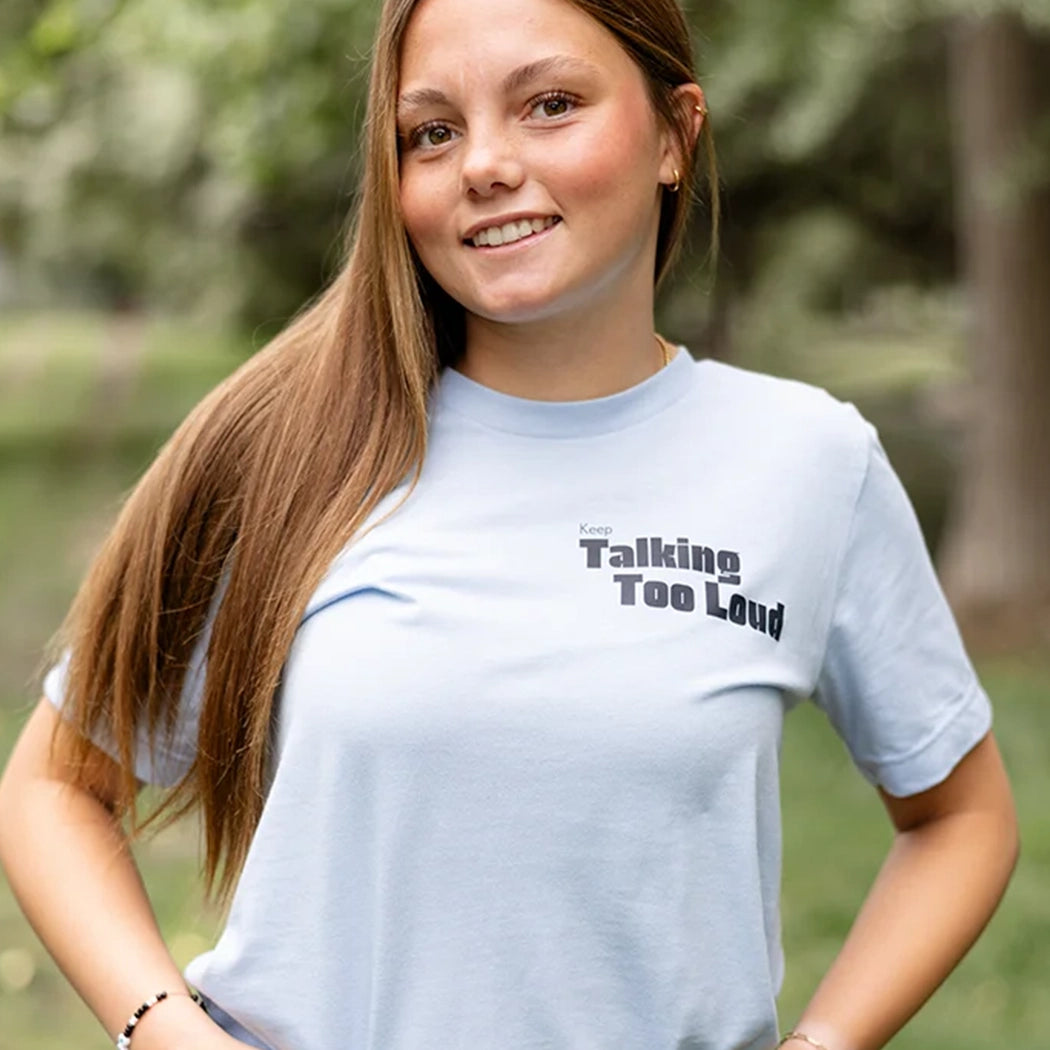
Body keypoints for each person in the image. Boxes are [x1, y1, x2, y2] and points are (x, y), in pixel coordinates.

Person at [0, 0, 1019, 1048]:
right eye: (432, 131)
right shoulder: (290, 449)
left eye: (550, 104)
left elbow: (963, 818)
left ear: (675, 133)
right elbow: (54, 788)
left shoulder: (808, 463)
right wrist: (169, 1033)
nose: (484, 163)